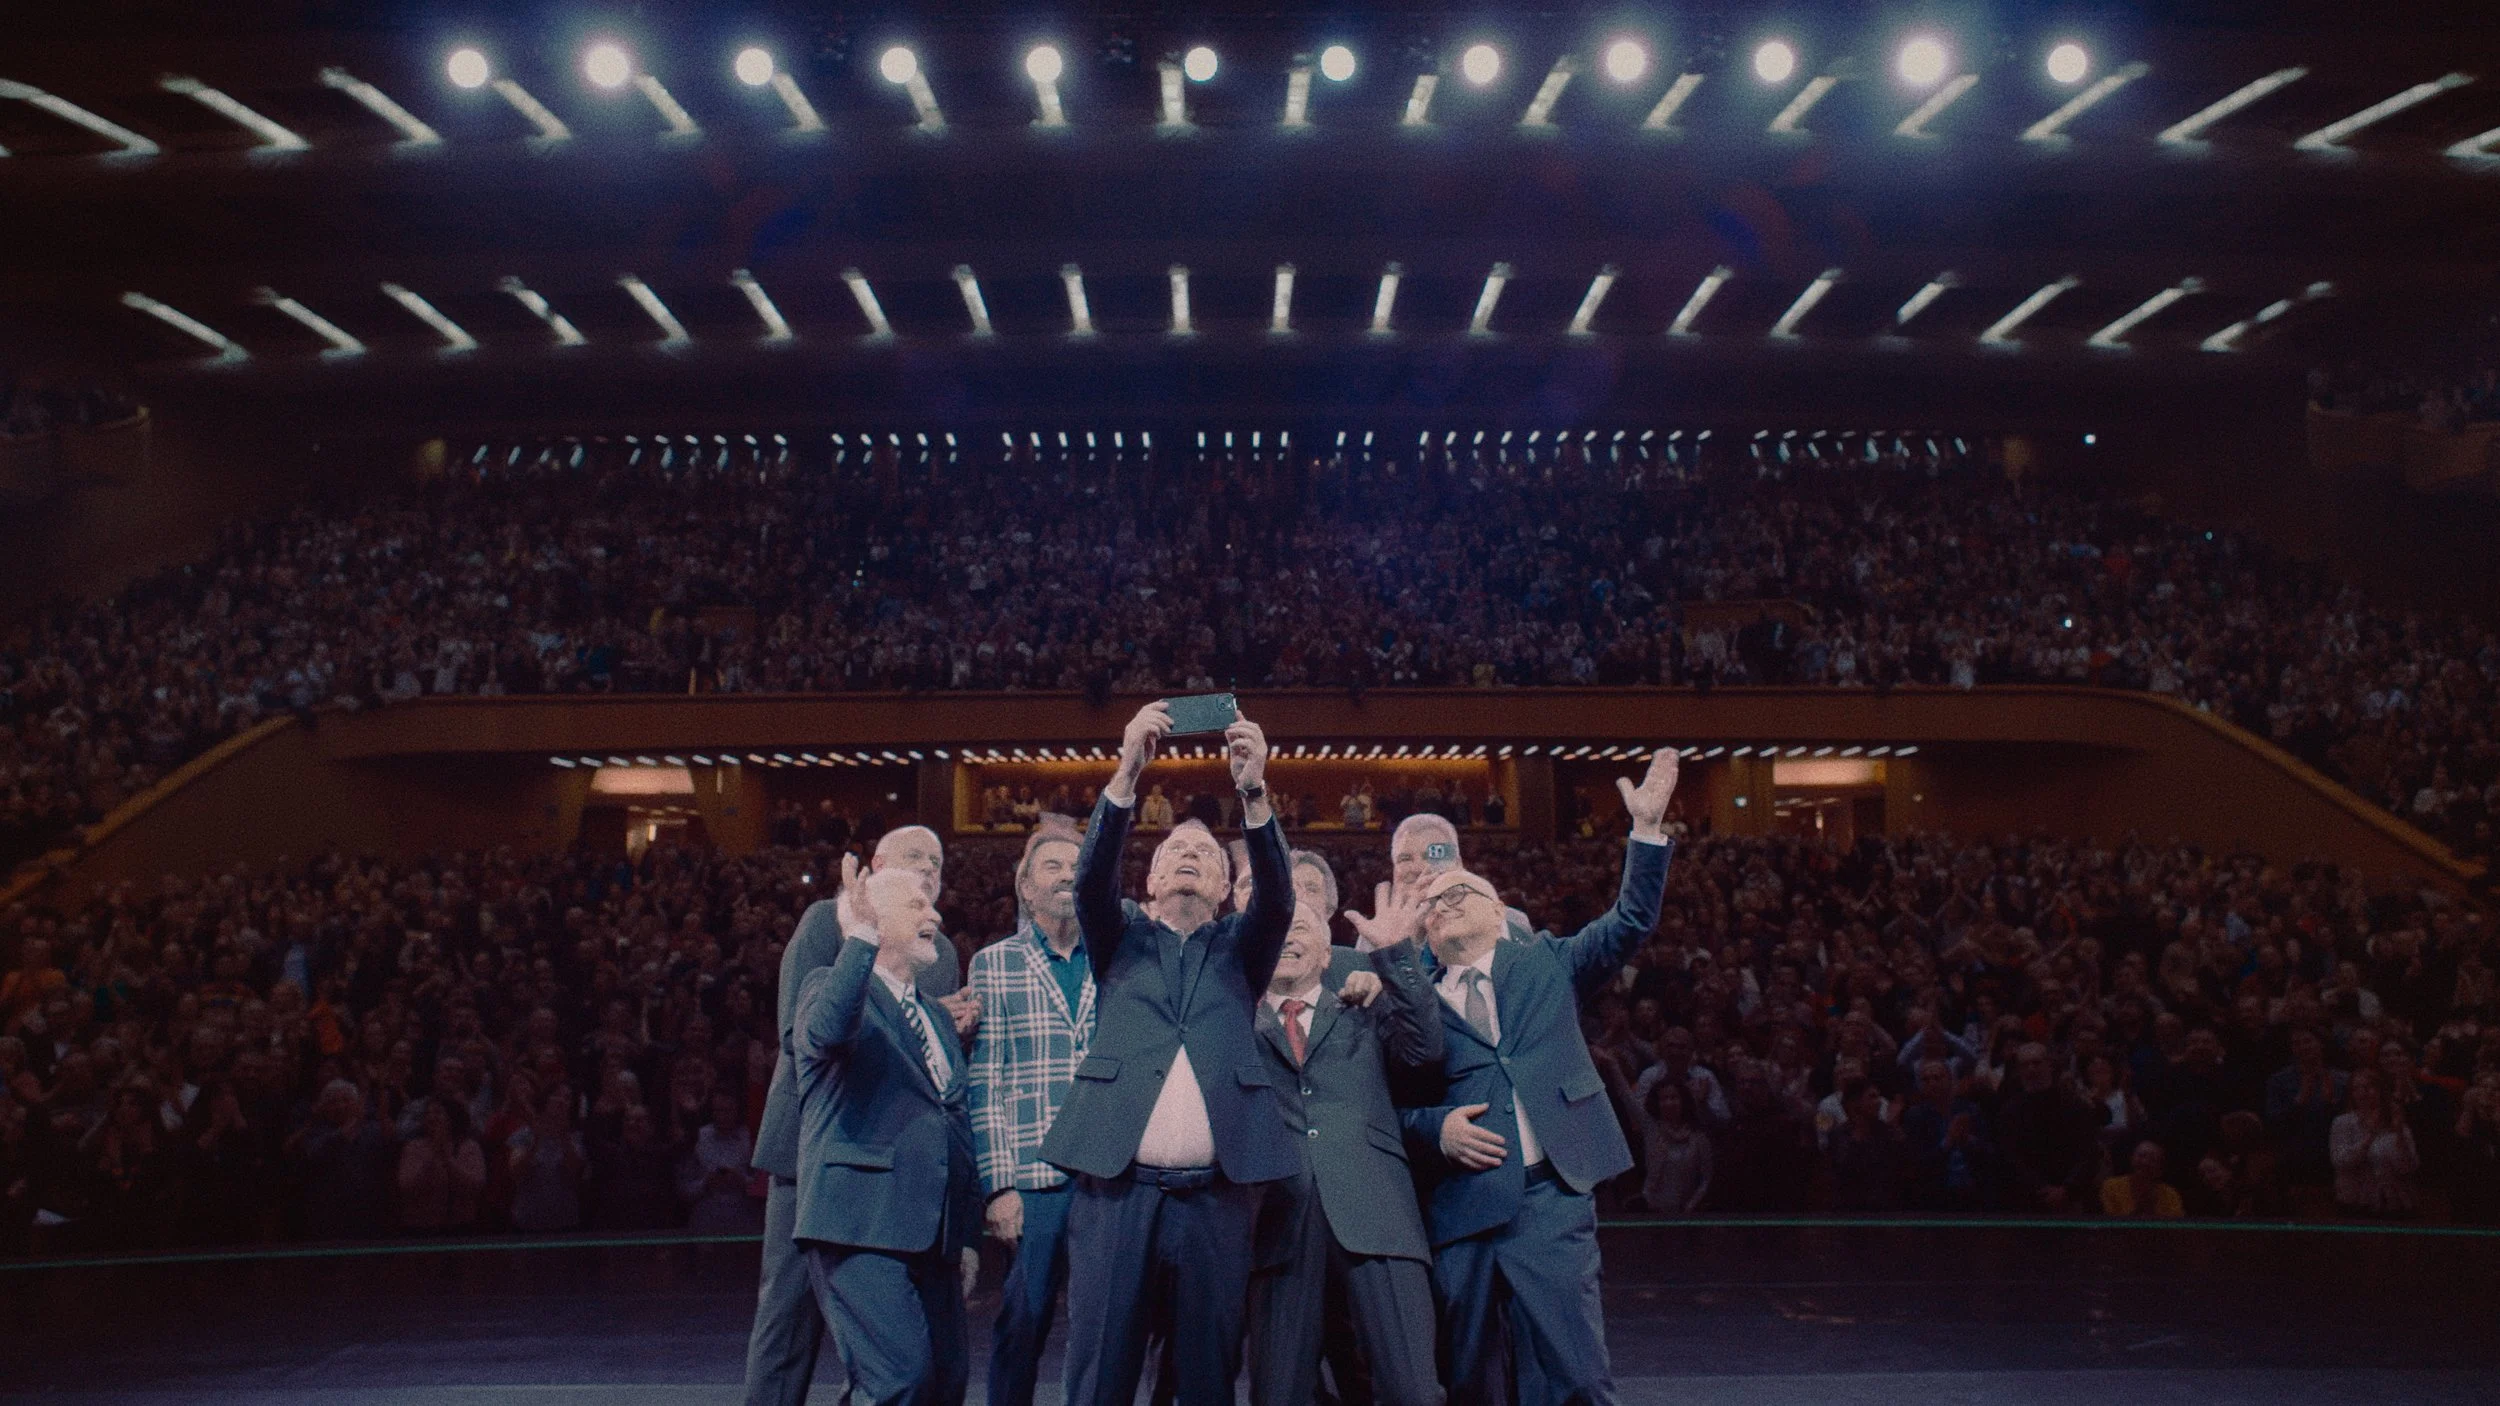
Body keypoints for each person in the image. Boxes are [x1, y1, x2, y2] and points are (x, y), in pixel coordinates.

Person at [1398, 749, 1679, 1406]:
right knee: (1470, 1381)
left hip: (1550, 1200)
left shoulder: (1549, 961)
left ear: (1500, 913)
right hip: (1461, 1208)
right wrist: (1436, 1129)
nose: (1442, 902)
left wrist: (1644, 831)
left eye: (1459, 891)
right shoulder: (1409, 999)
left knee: (1576, 1377)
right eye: (1431, 902)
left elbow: (1631, 922)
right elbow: (1387, 1106)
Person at [1042, 702, 1294, 1406]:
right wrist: (1127, 771)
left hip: (1216, 1201)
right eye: (1173, 852)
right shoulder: (1119, 937)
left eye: (1206, 856)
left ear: (1224, 888)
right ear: (1149, 881)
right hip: (1116, 1193)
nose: (1189, 855)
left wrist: (1253, 788)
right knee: (1100, 1374)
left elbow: (1278, 897)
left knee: (1208, 1378)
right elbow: (1090, 879)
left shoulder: (1242, 949)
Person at [746, 840, 965, 1406]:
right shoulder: (832, 921)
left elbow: (940, 1099)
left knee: (917, 1372)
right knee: (791, 1324)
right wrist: (864, 933)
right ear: (874, 873)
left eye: (937, 864)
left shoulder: (938, 955)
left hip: (910, 1184)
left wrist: (961, 1233)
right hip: (822, 1157)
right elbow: (810, 1034)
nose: (929, 870)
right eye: (915, 857)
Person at [1248, 897, 1443, 1406]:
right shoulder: (1233, 1023)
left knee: (1413, 1392)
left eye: (1302, 928)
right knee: (1278, 1396)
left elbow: (1425, 1051)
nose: (1288, 937)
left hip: (1378, 1212)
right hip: (1278, 1225)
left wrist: (1394, 957)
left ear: (1328, 953)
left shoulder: (1367, 1005)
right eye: (1277, 927)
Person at [968, 819, 1099, 1406]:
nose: (1068, 875)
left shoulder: (1115, 953)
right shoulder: (993, 963)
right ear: (1025, 886)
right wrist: (999, 1187)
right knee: (1023, 1322)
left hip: (1106, 1174)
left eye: (1077, 865)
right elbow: (986, 1080)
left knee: (1104, 1331)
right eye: (1053, 866)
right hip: (1034, 1177)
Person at [2331, 1068, 2422, 1218]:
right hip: (2356, 1204)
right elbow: (2340, 1161)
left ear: (2380, 1091)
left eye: (2368, 1087)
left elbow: (2408, 1168)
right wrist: (2370, 1136)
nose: (2363, 1092)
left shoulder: (2397, 1125)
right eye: (2356, 1088)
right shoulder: (2342, 1123)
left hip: (2394, 1204)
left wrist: (2399, 1133)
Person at [2100, 1140, 2185, 1218]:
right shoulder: (2111, 1186)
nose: (2145, 1162)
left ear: (2160, 1167)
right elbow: (2111, 1222)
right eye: (2141, 1156)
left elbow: (2176, 1224)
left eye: (2152, 1159)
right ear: (2132, 1159)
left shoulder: (2170, 1195)